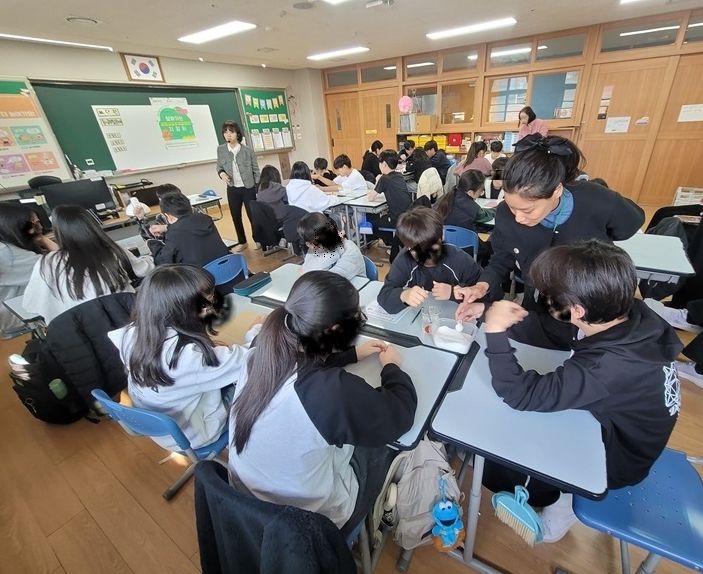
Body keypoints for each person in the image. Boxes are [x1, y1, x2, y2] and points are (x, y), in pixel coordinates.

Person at [461, 241, 681, 542]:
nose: (544, 300)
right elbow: (554, 329)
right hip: (621, 425)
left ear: (577, 310)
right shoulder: (625, 313)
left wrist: (496, 332)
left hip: (616, 459)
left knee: (512, 436)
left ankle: (560, 515)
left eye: (549, 297)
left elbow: (520, 395)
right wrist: (486, 312)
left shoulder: (607, 367)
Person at [228, 271, 417, 537]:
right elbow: (399, 415)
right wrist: (392, 368)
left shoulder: (261, 350)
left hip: (247, 501)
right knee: (391, 447)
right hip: (307, 523)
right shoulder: (329, 392)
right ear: (336, 331)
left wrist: (349, 355)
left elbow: (303, 364)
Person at [455, 134, 644, 350]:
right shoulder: (506, 215)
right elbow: (503, 257)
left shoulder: (597, 200)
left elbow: (629, 224)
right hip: (539, 305)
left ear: (556, 191)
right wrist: (482, 285)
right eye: (511, 207)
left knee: (583, 360)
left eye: (527, 210)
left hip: (588, 313)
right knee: (537, 354)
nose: (518, 218)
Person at [109, 265, 256, 451]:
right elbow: (250, 357)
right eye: (207, 303)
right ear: (183, 311)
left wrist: (207, 347)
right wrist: (257, 330)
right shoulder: (189, 358)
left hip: (164, 426)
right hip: (196, 432)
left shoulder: (130, 334)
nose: (212, 306)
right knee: (263, 380)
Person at [23, 205, 153, 324]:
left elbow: (30, 305)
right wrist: (149, 257)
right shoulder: (112, 251)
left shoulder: (47, 263)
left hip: (78, 332)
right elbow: (145, 269)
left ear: (58, 232)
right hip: (125, 323)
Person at [378, 207, 482, 314]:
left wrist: (452, 293)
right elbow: (384, 296)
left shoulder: (458, 258)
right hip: (420, 317)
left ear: (442, 237)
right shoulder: (404, 260)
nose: (428, 256)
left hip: (456, 316)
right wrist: (403, 295)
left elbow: (484, 293)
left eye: (433, 247)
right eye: (419, 251)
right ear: (408, 248)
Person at [0, 203, 57, 337]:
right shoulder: (6, 253)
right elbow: (63, 266)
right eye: (33, 225)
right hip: (15, 320)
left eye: (38, 223)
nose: (40, 228)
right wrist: (43, 238)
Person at [149, 193, 229, 268]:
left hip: (202, 275)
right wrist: (167, 227)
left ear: (168, 216)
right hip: (228, 267)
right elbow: (187, 226)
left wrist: (154, 244)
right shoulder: (206, 218)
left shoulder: (174, 233)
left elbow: (164, 261)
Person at [216, 121, 261, 252]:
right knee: (235, 216)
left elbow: (256, 170)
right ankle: (242, 241)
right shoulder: (221, 149)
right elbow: (219, 166)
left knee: (253, 216)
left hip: (248, 188)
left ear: (237, 134)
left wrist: (257, 188)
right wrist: (222, 174)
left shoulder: (248, 151)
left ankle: (258, 239)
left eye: (231, 132)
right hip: (232, 188)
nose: (228, 135)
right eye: (225, 132)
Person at [366, 150, 413, 260]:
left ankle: (392, 245)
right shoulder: (399, 175)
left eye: (379, 163)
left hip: (398, 220)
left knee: (372, 222)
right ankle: (392, 243)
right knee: (382, 217)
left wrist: (375, 184)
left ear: (384, 164)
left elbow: (370, 197)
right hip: (408, 216)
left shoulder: (384, 178)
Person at [298, 212, 366, 280]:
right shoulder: (314, 249)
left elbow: (331, 280)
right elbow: (306, 269)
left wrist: (307, 273)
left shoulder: (349, 249)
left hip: (354, 285)